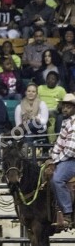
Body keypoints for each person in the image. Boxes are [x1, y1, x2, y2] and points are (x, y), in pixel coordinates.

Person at [51, 93, 75, 228]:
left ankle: (67, 213)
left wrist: (56, 161)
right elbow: (59, 144)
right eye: (64, 106)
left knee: (57, 179)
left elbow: (71, 149)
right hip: (67, 158)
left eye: (68, 107)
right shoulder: (67, 122)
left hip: (72, 159)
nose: (65, 109)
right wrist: (52, 157)